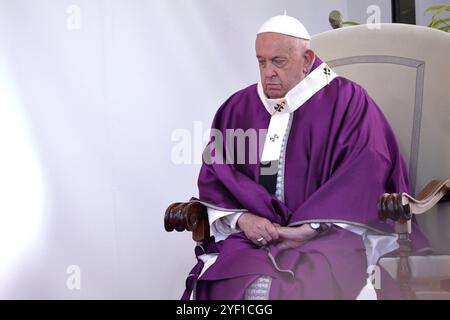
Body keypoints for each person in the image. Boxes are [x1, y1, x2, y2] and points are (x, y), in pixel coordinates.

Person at [181, 15, 431, 300]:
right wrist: (243, 220)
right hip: (256, 238)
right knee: (229, 276)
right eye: (261, 62)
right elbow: (217, 176)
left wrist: (310, 227)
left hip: (332, 234)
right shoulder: (237, 108)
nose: (267, 73)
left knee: (313, 277)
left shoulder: (348, 101)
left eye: (278, 61)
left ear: (306, 58)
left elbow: (365, 172)